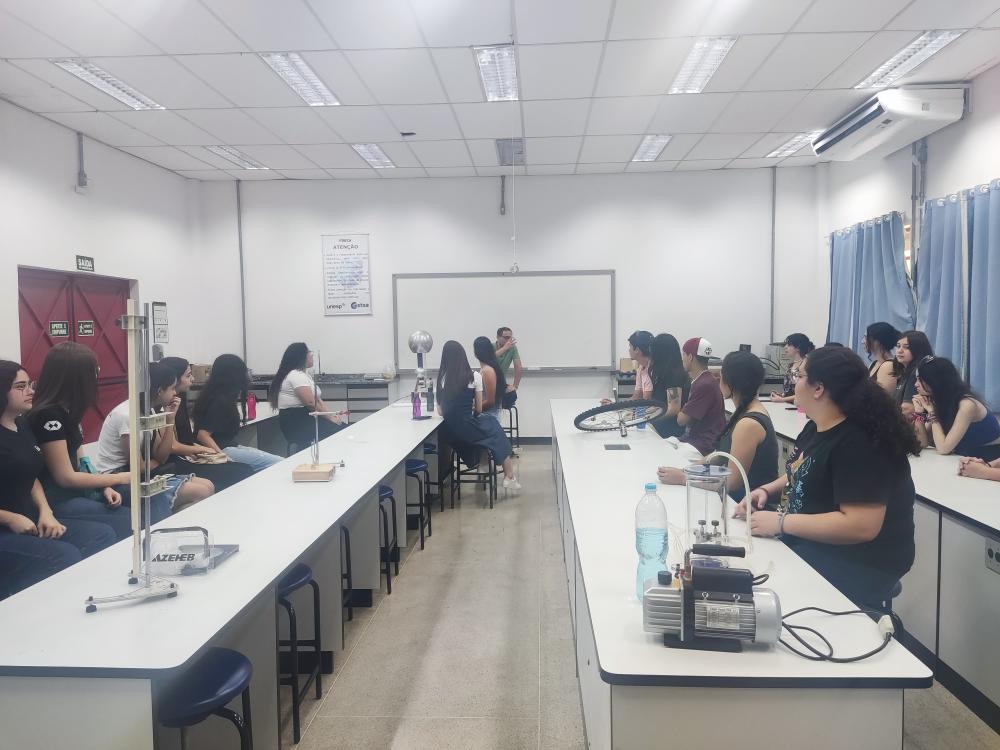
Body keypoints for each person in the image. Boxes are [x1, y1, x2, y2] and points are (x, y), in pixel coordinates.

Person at [735, 345, 920, 608]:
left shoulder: (860, 442)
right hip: (814, 542)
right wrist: (767, 490)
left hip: (860, 561)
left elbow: (861, 525)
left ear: (818, 388)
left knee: (766, 592)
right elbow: (804, 468)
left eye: (799, 376)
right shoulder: (817, 424)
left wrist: (781, 522)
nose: (795, 383)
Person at [0, 360, 117, 599]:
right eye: (20, 386)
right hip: (7, 526)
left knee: (101, 534)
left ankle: (88, 597)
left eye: (29, 384)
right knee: (63, 556)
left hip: (31, 519)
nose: (30, 391)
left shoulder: (21, 423)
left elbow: (30, 477)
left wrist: (45, 511)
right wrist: (10, 518)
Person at [28, 342, 132, 540]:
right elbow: (65, 477)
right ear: (77, 377)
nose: (97, 375)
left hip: (75, 491)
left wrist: (104, 486)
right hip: (56, 498)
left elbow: (82, 462)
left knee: (139, 498)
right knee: (127, 519)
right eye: (94, 371)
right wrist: (119, 478)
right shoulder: (48, 417)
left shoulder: (68, 410)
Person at [93, 363, 214, 523]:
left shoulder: (148, 409)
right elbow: (139, 466)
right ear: (158, 391)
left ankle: (170, 518)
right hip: (118, 477)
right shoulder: (127, 415)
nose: (174, 393)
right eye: (171, 388)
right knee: (201, 492)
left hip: (142, 472)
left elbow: (161, 456)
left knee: (208, 485)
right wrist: (154, 461)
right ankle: (166, 524)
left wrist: (170, 419)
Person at [657, 351, 778, 502]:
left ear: (731, 382)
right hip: (739, 498)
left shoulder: (748, 424)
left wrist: (684, 478)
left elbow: (732, 482)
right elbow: (719, 455)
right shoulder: (745, 411)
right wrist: (686, 470)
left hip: (748, 504)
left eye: (721, 377)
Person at [159, 357, 255, 491]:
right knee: (243, 471)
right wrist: (206, 450)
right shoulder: (166, 406)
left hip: (188, 456)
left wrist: (205, 451)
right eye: (188, 375)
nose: (192, 379)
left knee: (244, 469)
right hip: (178, 461)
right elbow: (173, 446)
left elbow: (186, 440)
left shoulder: (179, 400)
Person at [437, 340, 520, 491]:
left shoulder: (442, 379)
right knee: (494, 429)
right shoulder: (474, 376)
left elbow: (441, 412)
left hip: (451, 433)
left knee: (486, 431)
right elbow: (479, 409)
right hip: (468, 428)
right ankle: (509, 476)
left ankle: (482, 464)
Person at [193, 354, 283, 472]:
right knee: (279, 464)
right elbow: (202, 435)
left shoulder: (217, 396)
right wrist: (223, 457)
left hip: (229, 446)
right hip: (223, 449)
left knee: (277, 461)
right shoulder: (220, 400)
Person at [912, 356, 1000, 460]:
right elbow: (922, 443)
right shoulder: (940, 401)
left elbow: (943, 449)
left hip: (988, 459)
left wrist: (931, 412)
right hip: (962, 458)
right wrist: (918, 413)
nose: (916, 384)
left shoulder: (967, 405)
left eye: (920, 380)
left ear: (935, 382)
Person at [269, 343, 345, 449]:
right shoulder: (296, 375)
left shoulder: (304, 374)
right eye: (309, 352)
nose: (311, 355)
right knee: (339, 432)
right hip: (297, 423)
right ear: (301, 356)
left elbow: (317, 400)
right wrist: (330, 419)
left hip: (306, 418)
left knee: (342, 428)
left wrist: (332, 416)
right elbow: (310, 403)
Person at [676, 337, 725, 456]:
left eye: (684, 354)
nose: (682, 359)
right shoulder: (706, 380)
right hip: (694, 440)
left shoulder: (703, 385)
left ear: (690, 357)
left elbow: (681, 420)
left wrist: (675, 404)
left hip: (702, 445)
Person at [648, 333, 689, 439]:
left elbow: (673, 409)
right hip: (661, 426)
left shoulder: (674, 376)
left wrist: (651, 419)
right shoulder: (663, 373)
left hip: (669, 432)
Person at [602, 330, 654, 405]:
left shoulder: (651, 370)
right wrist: (614, 404)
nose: (629, 350)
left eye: (630, 346)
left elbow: (646, 402)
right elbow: (636, 397)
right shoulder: (641, 368)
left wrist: (619, 407)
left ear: (637, 350)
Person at [893, 331, 933, 416]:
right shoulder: (904, 373)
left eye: (906, 347)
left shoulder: (918, 371)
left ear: (918, 349)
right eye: (898, 346)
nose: (899, 351)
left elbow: (908, 409)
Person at [770, 333, 814, 403]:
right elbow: (790, 390)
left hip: (800, 408)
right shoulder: (790, 366)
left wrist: (782, 399)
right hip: (789, 405)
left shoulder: (805, 365)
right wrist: (782, 395)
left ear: (798, 347)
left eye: (789, 345)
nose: (785, 347)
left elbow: (805, 392)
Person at [473, 336, 507, 425]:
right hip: (487, 415)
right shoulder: (486, 369)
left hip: (488, 416)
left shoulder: (487, 371)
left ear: (476, 353)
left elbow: (490, 401)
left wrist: (474, 409)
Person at [863, 322, 902, 396]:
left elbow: (884, 397)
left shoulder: (888, 366)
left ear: (877, 342)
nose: (863, 341)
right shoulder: (874, 363)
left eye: (866, 338)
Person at [494, 326, 522, 408]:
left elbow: (518, 366)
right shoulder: (490, 346)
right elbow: (489, 358)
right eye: (506, 338)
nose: (509, 340)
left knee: (512, 396)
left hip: (500, 383)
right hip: (487, 382)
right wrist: (504, 348)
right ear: (498, 337)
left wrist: (515, 386)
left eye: (510, 338)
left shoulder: (512, 348)